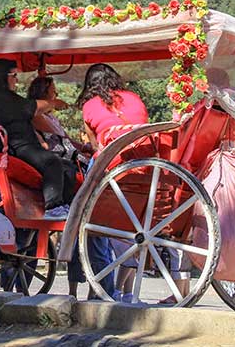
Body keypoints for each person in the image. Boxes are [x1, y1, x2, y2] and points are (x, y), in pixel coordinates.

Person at [68, 63, 149, 300]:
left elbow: (96, 147)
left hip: (111, 167)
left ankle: (102, 287)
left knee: (90, 224)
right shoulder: (134, 98)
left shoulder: (90, 106)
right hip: (143, 167)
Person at [0, 59, 74, 220]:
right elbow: (32, 108)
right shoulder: (1, 99)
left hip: (19, 145)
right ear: (4, 77)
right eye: (14, 75)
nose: (16, 80)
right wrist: (53, 103)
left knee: (68, 167)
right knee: (51, 162)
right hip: (14, 147)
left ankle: (65, 207)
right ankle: (52, 207)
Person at [27, 76, 93, 170]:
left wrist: (85, 147)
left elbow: (67, 140)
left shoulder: (51, 117)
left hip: (67, 151)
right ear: (43, 93)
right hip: (57, 156)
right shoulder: (36, 116)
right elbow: (58, 139)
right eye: (53, 91)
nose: (56, 94)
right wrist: (54, 103)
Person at [76, 64, 148, 148]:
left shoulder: (88, 106)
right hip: (145, 147)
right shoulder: (134, 96)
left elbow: (95, 145)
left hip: (113, 155)